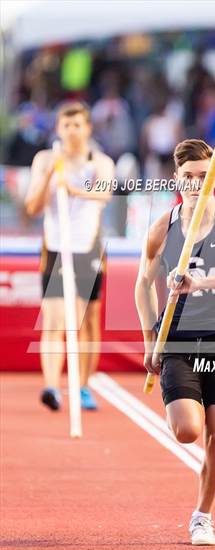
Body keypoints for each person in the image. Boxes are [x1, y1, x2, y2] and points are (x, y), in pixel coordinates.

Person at [135, 139, 215, 545]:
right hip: (177, 339)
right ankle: (180, 397)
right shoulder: (163, 227)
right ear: (176, 179)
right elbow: (143, 283)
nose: (196, 184)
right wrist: (149, 340)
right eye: (188, 177)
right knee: (187, 431)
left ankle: (203, 515)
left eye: (203, 177)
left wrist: (202, 282)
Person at [25, 101, 115, 412]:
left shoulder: (98, 161)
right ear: (58, 129)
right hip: (55, 248)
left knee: (87, 321)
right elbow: (32, 207)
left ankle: (83, 386)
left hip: (88, 248)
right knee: (54, 320)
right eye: (66, 125)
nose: (72, 131)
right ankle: (51, 387)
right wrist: (51, 174)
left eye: (78, 125)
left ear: (87, 128)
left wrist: (73, 190)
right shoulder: (45, 159)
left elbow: (105, 193)